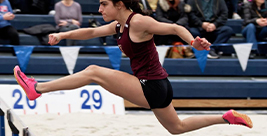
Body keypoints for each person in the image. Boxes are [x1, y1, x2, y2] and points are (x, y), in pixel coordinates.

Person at [14, 0, 253, 135]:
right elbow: (91, 31)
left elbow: (173, 28)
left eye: (103, 4)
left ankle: (38, 88)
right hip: (159, 86)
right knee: (176, 128)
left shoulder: (138, 21)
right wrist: (63, 34)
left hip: (151, 86)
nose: (99, 10)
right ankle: (227, 118)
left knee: (93, 71)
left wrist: (193, 42)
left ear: (119, 4)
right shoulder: (119, 26)